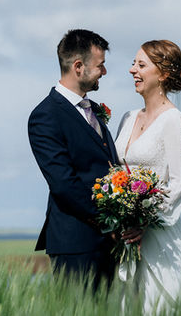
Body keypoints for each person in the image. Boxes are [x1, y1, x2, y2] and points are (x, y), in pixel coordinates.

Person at [116, 40, 181, 313]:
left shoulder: (174, 121)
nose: (132, 70)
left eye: (141, 65)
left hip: (160, 239)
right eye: (133, 63)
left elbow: (178, 183)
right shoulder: (128, 118)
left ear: (163, 74)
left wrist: (144, 221)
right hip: (124, 238)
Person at [28, 29, 118, 289]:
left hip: (107, 243)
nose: (104, 72)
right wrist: (108, 221)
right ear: (78, 66)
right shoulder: (45, 116)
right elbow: (63, 184)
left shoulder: (94, 112)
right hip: (76, 243)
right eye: (100, 65)